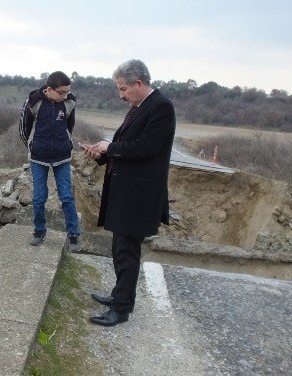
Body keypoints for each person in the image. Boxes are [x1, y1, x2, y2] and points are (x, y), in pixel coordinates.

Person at [83, 60, 175, 326]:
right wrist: (101, 155)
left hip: (140, 195)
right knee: (120, 247)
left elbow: (147, 148)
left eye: (124, 89)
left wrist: (109, 148)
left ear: (139, 83)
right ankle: (120, 296)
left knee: (127, 251)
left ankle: (121, 308)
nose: (121, 95)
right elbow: (127, 148)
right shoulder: (139, 107)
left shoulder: (161, 107)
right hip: (127, 191)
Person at [19, 71, 81, 252]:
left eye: (68, 91)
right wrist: (32, 146)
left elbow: (70, 126)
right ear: (49, 89)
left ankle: (74, 235)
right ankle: (39, 231)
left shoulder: (69, 102)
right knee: (39, 198)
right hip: (38, 158)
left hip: (62, 157)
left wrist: (65, 144)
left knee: (67, 197)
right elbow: (23, 128)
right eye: (62, 92)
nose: (66, 95)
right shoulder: (34, 102)